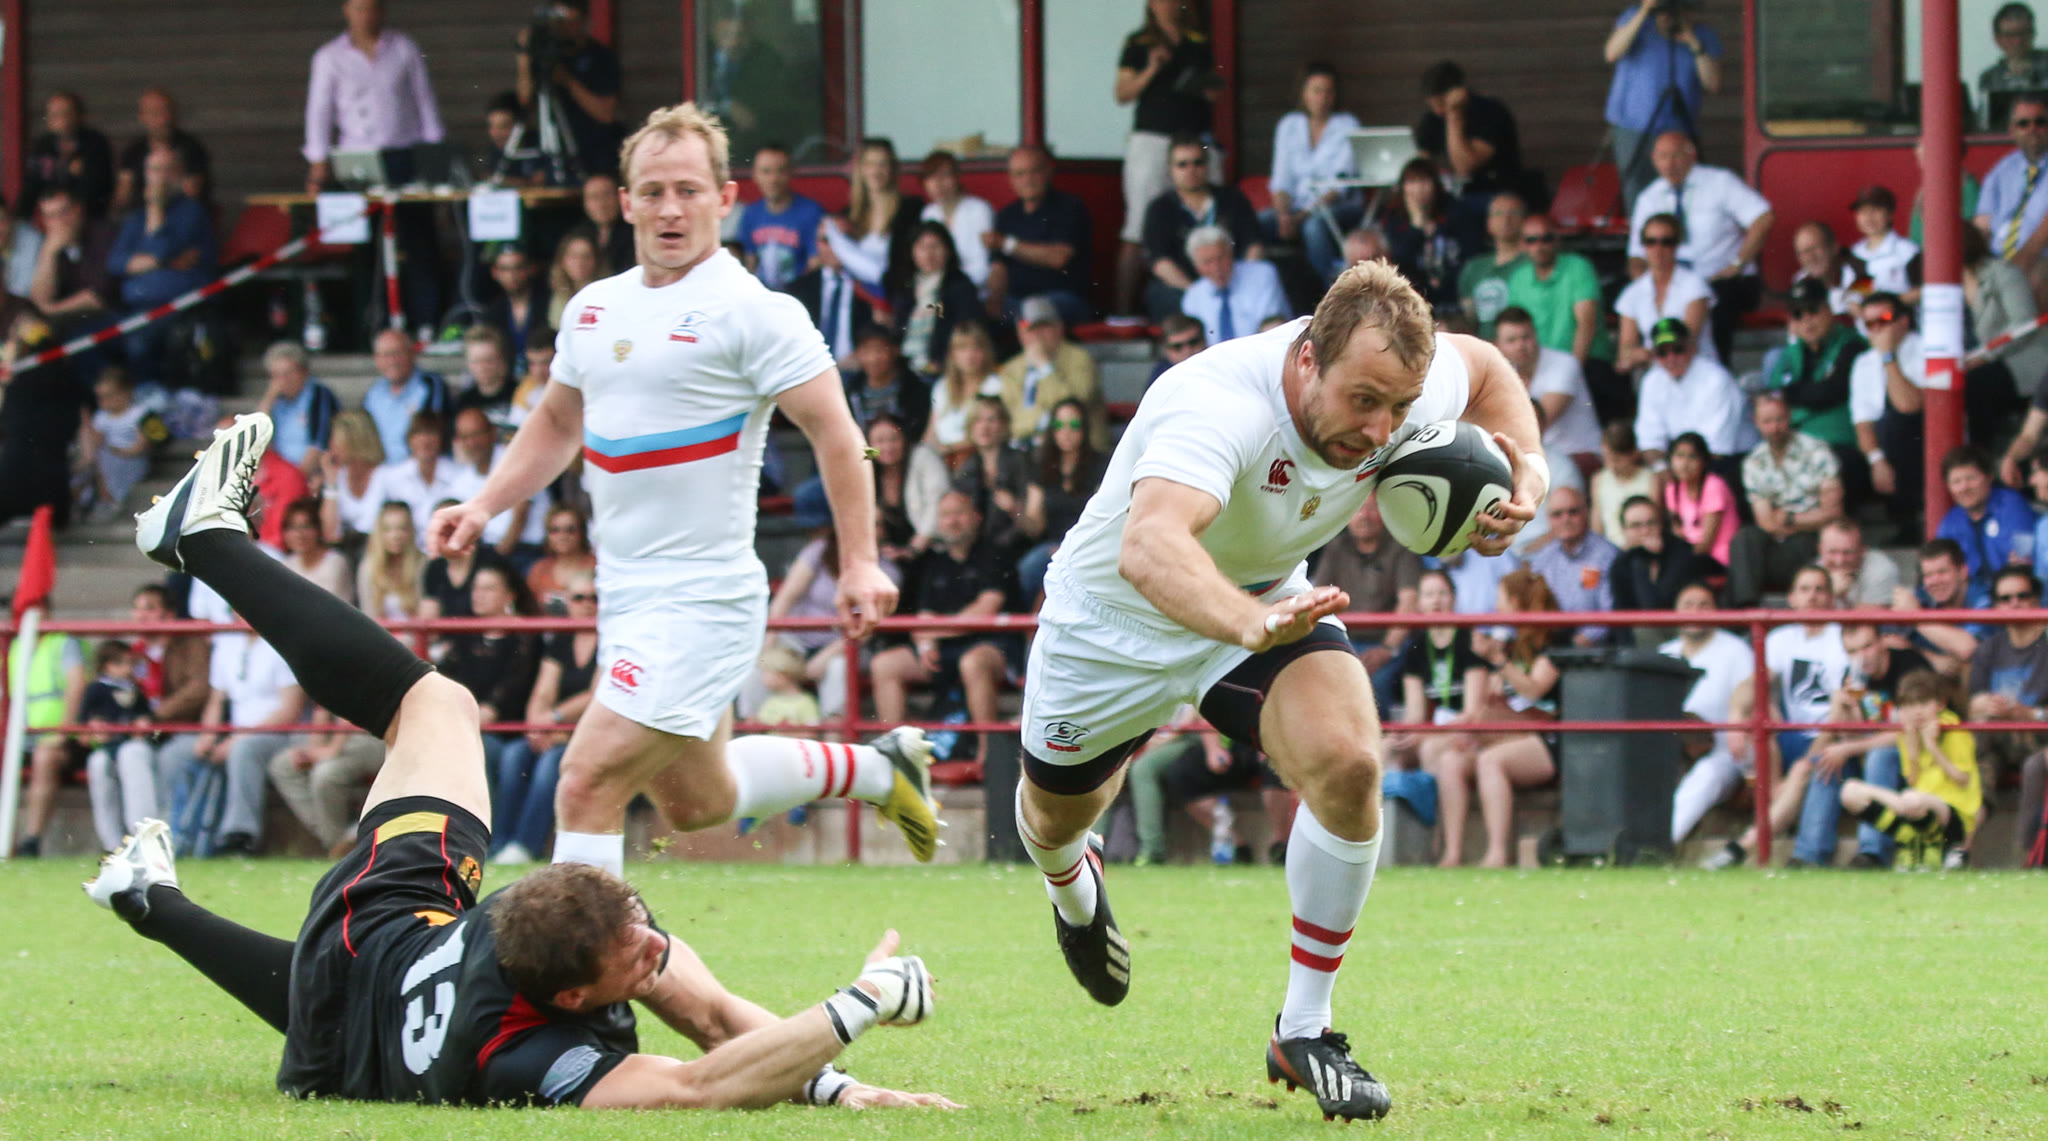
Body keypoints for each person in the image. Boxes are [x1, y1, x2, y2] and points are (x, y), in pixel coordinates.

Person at [91, 421, 953, 1110]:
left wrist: (837, 1086)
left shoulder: (585, 929)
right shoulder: (524, 1054)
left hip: (372, 934)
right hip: (346, 1016)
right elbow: (701, 1081)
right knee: (435, 713)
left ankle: (212, 549)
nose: (657, 948)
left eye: (640, 933)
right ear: (573, 1001)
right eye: (636, 954)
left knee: (432, 708)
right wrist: (859, 1005)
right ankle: (203, 548)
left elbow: (720, 1019)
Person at [1012, 261, 1547, 1121]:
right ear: (1306, 357)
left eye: (1400, 407)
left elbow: (1485, 369)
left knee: (1349, 763)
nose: (1380, 430)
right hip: (1111, 624)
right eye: (1363, 400)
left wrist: (1532, 473)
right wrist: (1245, 623)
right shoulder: (1219, 403)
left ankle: (1304, 1028)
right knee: (1053, 818)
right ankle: (1073, 882)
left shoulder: (1400, 383)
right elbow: (1149, 546)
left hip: (1264, 597)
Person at [433, 104, 942, 877]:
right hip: (625, 594)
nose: (670, 209)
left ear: (725, 198)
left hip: (702, 599)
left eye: (689, 191)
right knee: (699, 800)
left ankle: (582, 959)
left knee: (585, 779)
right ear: (626, 202)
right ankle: (879, 769)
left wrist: (861, 559)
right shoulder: (592, 308)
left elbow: (844, 436)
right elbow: (557, 422)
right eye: (653, 192)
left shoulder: (757, 313)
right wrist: (482, 504)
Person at [301, 0, 446, 333]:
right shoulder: (329, 57)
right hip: (356, 157)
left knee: (419, 238)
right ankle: (373, 324)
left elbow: (424, 100)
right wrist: (318, 161)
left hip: (405, 153)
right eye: (359, 8)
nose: (366, 16)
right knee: (364, 242)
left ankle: (427, 322)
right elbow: (319, 111)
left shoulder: (404, 48)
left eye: (372, 8)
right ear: (346, 10)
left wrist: (435, 156)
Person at [1706, 564, 1847, 869]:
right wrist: (1735, 716)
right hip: (1791, 736)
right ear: (1791, 598)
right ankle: (1778, 801)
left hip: (1830, 736)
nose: (1812, 596)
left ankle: (1743, 847)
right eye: (1805, 589)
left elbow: (1838, 716)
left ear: (1831, 598)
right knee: (1762, 712)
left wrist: (1806, 760)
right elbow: (1752, 683)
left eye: (1820, 589)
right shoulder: (1782, 638)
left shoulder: (1842, 637)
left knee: (1804, 770)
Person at [868, 487, 1024, 751]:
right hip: (944, 649)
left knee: (972, 662)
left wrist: (934, 633)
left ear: (976, 517)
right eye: (946, 515)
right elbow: (923, 616)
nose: (952, 521)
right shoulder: (933, 562)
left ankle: (988, 756)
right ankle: (896, 756)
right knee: (884, 665)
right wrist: (925, 644)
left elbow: (985, 611)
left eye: (959, 513)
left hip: (994, 647)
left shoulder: (995, 554)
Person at [1440, 569, 1564, 868]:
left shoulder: (1551, 644)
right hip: (1511, 734)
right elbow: (1494, 698)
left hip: (1547, 741)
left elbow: (1534, 689)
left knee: (1490, 761)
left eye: (1501, 599)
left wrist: (1498, 661)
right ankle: (1452, 854)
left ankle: (1496, 853)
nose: (1496, 607)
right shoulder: (1511, 645)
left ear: (1516, 602)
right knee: (1450, 761)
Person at [1790, 623, 1928, 868]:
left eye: (1867, 647)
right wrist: (1845, 710)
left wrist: (1849, 748)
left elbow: (1908, 732)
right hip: (1872, 753)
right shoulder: (1853, 676)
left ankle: (1873, 852)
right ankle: (1809, 854)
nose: (1861, 657)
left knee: (1879, 756)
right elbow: (1852, 735)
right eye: (1852, 651)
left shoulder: (1909, 667)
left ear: (1882, 642)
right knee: (1827, 760)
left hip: (1918, 756)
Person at [1627, 133, 1773, 363]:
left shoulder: (1720, 182)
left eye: (1676, 156)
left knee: (1716, 301)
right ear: (1654, 160)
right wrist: (1646, 286)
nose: (1669, 164)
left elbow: (1763, 217)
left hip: (1724, 279)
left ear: (1691, 155)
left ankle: (1715, 370)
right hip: (1674, 283)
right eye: (1663, 157)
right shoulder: (1648, 198)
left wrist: (1738, 263)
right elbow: (1636, 256)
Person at [1115, 0, 1220, 315]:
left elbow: (1215, 90)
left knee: (1209, 217)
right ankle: (1123, 312)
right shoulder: (1139, 42)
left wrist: (1206, 87)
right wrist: (1151, 68)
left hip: (1193, 139)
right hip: (1152, 139)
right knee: (1137, 226)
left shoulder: (1197, 41)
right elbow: (1122, 93)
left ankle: (1210, 301)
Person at [1840, 670, 1981, 870]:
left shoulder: (1953, 730)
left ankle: (1922, 844)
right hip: (1917, 807)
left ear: (1940, 704)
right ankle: (1911, 840)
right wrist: (1913, 749)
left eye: (1924, 703)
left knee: (1912, 799)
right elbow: (1913, 780)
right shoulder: (1907, 733)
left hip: (1953, 814)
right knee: (1850, 791)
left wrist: (1932, 747)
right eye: (1910, 705)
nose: (1917, 711)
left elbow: (1962, 779)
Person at [1728, 392, 1844, 607]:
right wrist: (1805, 518)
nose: (1774, 428)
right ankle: (1747, 609)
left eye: (1779, 419)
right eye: (1767, 422)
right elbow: (1766, 522)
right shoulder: (1754, 461)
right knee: (1745, 538)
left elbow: (1832, 514)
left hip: (1810, 542)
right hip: (1776, 544)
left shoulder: (1817, 451)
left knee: (1804, 542)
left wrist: (1790, 518)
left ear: (1789, 416)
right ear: (1756, 422)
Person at [1662, 581, 1755, 845]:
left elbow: (1751, 688)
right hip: (1670, 752)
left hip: (1725, 752)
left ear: (1716, 611)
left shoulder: (1736, 649)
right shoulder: (1663, 653)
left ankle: (1658, 846)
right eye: (1688, 605)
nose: (1696, 611)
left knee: (1707, 775)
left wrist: (1737, 717)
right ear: (1675, 612)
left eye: (1704, 605)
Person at [1603, 2, 1722, 205]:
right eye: (1662, 10)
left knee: (1680, 191)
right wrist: (1644, 11)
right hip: (1632, 126)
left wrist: (1693, 42)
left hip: (1678, 128)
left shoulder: (1703, 35)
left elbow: (1712, 84)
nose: (1667, 16)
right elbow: (1611, 53)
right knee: (1637, 190)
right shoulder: (1635, 20)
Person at [1314, 498, 1423, 718]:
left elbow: (1409, 601)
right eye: (1358, 509)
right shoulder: (1336, 547)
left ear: (1385, 513)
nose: (1364, 515)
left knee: (1376, 683)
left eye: (1372, 508)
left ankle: (1377, 736)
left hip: (1388, 642)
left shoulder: (1400, 547)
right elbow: (1318, 595)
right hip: (1344, 641)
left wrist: (1387, 649)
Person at [1504, 213, 1619, 421]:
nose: (1539, 245)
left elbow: (1586, 325)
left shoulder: (1579, 267)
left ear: (1557, 240)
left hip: (1585, 362)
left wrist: (1571, 371)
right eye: (1531, 240)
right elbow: (1513, 326)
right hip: (1538, 365)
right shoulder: (1518, 278)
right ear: (1522, 244)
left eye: (1546, 238)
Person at [1141, 134, 1264, 321]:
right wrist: (1197, 293)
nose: (1191, 170)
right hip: (1184, 289)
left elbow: (1254, 245)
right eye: (1182, 164)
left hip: (1235, 284)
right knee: (1159, 294)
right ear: (1170, 169)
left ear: (1208, 165)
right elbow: (1159, 261)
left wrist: (1242, 284)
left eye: (1198, 163)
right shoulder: (1160, 208)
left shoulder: (1232, 199)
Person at [1759, 278, 1865, 483]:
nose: (1806, 319)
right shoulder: (1789, 355)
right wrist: (1810, 395)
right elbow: (1773, 399)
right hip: (1792, 445)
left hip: (1838, 445)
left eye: (1812, 310)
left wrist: (1790, 394)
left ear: (1829, 310)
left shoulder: (1851, 345)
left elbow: (1831, 391)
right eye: (1798, 314)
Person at [1267, 61, 1362, 284]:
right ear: (1304, 94)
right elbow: (1281, 179)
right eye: (1316, 91)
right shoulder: (1289, 125)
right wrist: (1283, 215)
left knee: (1314, 227)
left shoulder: (1347, 124)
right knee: (1259, 222)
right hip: (1295, 210)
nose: (1322, 98)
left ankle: (1331, 290)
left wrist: (1301, 217)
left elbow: (1340, 187)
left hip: (1337, 208)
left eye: (1328, 91)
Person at [1395, 568, 1492, 779]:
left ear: (1454, 599)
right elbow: (1414, 714)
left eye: (1442, 593)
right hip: (1436, 729)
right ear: (1419, 603)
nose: (1436, 601)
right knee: (1388, 748)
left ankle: (1432, 801)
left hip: (1468, 730)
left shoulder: (1469, 639)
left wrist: (1427, 733)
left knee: (1430, 748)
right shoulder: (1415, 647)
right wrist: (1403, 735)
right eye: (1428, 595)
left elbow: (1472, 712)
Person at [1962, 221, 2048, 459]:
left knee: (1977, 384)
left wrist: (1983, 357)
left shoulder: (2003, 273)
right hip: (1975, 362)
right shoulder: (1944, 284)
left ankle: (1980, 460)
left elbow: (2023, 324)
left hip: (2020, 359)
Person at [984, 144, 1094, 326]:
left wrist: (1007, 244)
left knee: (1034, 308)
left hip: (1063, 300)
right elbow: (998, 267)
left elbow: (1059, 258)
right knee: (971, 309)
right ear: (1011, 179)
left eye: (1034, 171)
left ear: (1049, 171)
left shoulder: (1070, 207)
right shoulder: (1006, 215)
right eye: (1019, 174)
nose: (1027, 180)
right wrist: (994, 297)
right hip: (1015, 301)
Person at [514, 0, 623, 180]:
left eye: (572, 22)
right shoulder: (548, 56)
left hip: (593, 154)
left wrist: (568, 81)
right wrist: (525, 55)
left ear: (585, 21)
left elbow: (605, 113)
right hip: (554, 151)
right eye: (560, 23)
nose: (567, 29)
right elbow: (525, 101)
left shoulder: (601, 57)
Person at [1018, 398, 1111, 603]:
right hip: (1051, 546)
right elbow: (1035, 526)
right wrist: (1015, 511)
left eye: (1074, 425)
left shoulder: (1101, 465)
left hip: (1089, 546)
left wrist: (1068, 548)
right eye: (1059, 425)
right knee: (1028, 567)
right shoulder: (1041, 466)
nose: (1066, 431)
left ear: (1084, 429)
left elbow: (1102, 518)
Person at [1967, 567, 2048, 794]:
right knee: (1979, 745)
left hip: (2040, 737)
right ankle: (1972, 814)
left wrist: (2030, 714)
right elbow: (1972, 705)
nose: (2014, 603)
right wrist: (1981, 706)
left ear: (2037, 600)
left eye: (2022, 596)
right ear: (1995, 606)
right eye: (2005, 599)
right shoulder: (1988, 649)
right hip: (1999, 739)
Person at [1850, 292, 1928, 523]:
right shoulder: (1863, 362)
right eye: (1869, 324)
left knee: (1896, 423)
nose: (1876, 329)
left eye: (1882, 320)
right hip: (1888, 447)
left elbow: (1908, 405)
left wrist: (1887, 356)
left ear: (1903, 321)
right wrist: (1876, 460)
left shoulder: (1925, 349)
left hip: (1922, 436)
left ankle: (1909, 520)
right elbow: (1862, 423)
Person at [1632, 318, 1750, 467]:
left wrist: (1680, 472)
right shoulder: (1651, 381)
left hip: (1729, 460)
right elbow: (1649, 439)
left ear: (1692, 347)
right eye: (1662, 353)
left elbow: (1718, 447)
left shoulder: (1716, 378)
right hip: (1680, 462)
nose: (1671, 358)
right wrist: (1660, 468)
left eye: (1678, 350)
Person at [1495, 306, 1599, 476]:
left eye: (1526, 337)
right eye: (1511, 340)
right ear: (1498, 345)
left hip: (1578, 454)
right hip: (1541, 457)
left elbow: (1537, 422)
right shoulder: (1504, 372)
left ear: (1536, 335)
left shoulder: (1564, 364)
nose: (1520, 346)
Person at [997, 297, 1108, 450]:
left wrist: (1044, 367)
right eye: (1030, 328)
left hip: (1081, 450)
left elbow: (1073, 407)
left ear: (1059, 328)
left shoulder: (1080, 360)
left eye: (1044, 327)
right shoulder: (1011, 369)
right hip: (1024, 450)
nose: (1037, 335)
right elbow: (1011, 415)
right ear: (1020, 333)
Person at [80, 639, 156, 854]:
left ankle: (141, 836)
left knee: (131, 755)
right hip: (106, 749)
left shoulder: (135, 690)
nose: (128, 669)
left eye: (131, 663)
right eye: (120, 663)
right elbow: (83, 729)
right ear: (106, 666)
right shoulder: (95, 689)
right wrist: (95, 730)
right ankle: (112, 844)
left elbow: (147, 717)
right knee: (97, 766)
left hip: (131, 745)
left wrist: (143, 724)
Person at [1614, 212, 1715, 371]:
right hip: (1658, 375)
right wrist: (1634, 356)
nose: (1658, 249)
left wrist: (1643, 354)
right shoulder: (1632, 293)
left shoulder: (1694, 284)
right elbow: (1624, 352)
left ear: (1677, 245)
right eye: (1651, 242)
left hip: (1699, 371)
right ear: (1643, 246)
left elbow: (1687, 341)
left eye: (1666, 242)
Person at [365, 411, 480, 550]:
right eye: (419, 433)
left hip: (448, 550)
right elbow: (371, 522)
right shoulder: (390, 477)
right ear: (409, 439)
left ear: (441, 438)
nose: (425, 440)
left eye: (431, 433)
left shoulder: (460, 475)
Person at [823, 138, 923, 297]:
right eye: (869, 164)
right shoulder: (846, 215)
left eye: (882, 164)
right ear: (860, 169)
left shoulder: (912, 210)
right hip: (858, 301)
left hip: (901, 297)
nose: (875, 171)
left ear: (893, 169)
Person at [1412, 60, 1525, 201]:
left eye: (1441, 104)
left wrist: (1454, 114)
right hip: (1457, 192)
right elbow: (1420, 160)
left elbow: (1465, 167)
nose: (1438, 111)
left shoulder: (1491, 112)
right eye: (1432, 106)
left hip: (1495, 191)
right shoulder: (1433, 119)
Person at [1935, 445, 2038, 594]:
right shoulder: (1950, 522)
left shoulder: (2012, 506)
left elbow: (2022, 561)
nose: (1964, 487)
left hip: (2011, 596)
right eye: (1956, 482)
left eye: (1971, 478)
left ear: (1989, 477)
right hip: (1970, 600)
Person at [889, 222, 982, 380]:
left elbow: (966, 331)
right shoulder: (905, 285)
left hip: (941, 368)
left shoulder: (960, 286)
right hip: (905, 366)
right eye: (922, 247)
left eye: (935, 247)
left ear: (948, 250)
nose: (929, 254)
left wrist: (940, 361)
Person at [1525, 486, 1617, 646]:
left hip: (1600, 647)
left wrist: (1577, 644)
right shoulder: (1544, 559)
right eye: (1557, 514)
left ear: (1586, 512)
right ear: (1548, 519)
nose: (1565, 519)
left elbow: (1610, 614)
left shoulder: (1608, 555)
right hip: (1552, 643)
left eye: (1573, 512)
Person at [1976, 91, 2048, 290]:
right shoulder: (2002, 171)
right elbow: (1982, 226)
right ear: (2012, 130)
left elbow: (2043, 234)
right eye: (2023, 124)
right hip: (2000, 263)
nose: (2032, 129)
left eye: (2040, 122)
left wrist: (2013, 270)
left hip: (2039, 262)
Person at [28, 184, 117, 343]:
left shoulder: (103, 233)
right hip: (74, 323)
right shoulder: (50, 247)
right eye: (51, 216)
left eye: (64, 212)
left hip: (111, 316)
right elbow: (39, 299)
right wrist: (48, 255)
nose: (60, 221)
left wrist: (52, 310)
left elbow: (99, 295)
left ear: (78, 209)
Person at [1381, 157, 1468, 315]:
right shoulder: (1394, 220)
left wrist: (1444, 281)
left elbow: (1468, 254)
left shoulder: (1455, 214)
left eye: (1425, 181)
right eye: (1412, 182)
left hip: (1453, 293)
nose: (1419, 188)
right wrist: (1417, 224)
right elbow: (1400, 261)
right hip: (1415, 297)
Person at [1896, 539, 1990, 680]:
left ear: (1963, 572)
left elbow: (1969, 649)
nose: (1935, 581)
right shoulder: (1923, 596)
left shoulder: (1984, 598)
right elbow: (1889, 641)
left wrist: (1916, 617)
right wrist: (1931, 657)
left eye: (1942, 572)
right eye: (1928, 575)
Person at [1179, 225, 1289, 346]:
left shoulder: (1262, 274)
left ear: (1231, 254)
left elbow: (1272, 326)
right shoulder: (1192, 296)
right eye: (1207, 262)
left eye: (1220, 258)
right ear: (1196, 266)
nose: (1216, 267)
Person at [737, 143, 824, 292]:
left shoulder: (811, 212)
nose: (773, 179)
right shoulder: (750, 213)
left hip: (798, 295)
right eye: (766, 171)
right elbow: (750, 263)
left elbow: (815, 265)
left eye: (780, 171)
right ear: (755, 175)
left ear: (791, 173)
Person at [82, 366, 164, 522]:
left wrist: (118, 451)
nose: (104, 401)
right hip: (109, 463)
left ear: (126, 392)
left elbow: (146, 445)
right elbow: (95, 444)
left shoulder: (141, 414)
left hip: (132, 462)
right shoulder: (100, 417)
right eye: (100, 397)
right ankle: (105, 497)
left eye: (109, 396)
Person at [784, 223, 874, 366]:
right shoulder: (797, 289)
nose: (834, 246)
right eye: (826, 240)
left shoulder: (870, 285)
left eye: (842, 238)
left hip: (857, 369)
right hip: (810, 368)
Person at [361, 329, 453, 465]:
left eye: (397, 353)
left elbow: (433, 432)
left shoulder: (430, 385)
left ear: (412, 354)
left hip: (420, 468)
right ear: (376, 359)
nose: (392, 361)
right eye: (385, 355)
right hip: (380, 470)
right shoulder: (374, 394)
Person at [113, 88, 210, 214]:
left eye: (167, 111)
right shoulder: (133, 151)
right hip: (142, 214)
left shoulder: (191, 148)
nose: (164, 119)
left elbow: (193, 191)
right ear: (143, 117)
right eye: (155, 113)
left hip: (181, 214)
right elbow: (123, 195)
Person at [22, 91, 115, 219]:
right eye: (53, 114)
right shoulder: (42, 146)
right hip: (48, 216)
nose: (59, 119)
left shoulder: (95, 142)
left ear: (79, 116)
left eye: (64, 113)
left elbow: (95, 185)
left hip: (88, 216)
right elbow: (32, 184)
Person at [257, 342, 340, 476]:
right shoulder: (276, 401)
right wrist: (268, 399)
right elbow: (259, 437)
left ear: (304, 372)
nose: (283, 380)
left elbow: (319, 444)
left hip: (311, 474)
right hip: (281, 473)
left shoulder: (318, 395)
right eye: (276, 375)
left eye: (289, 373)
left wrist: (295, 479)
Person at [1611, 495, 1705, 613]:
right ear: (1624, 530)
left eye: (1651, 523)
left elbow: (1655, 606)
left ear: (1661, 525)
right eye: (1636, 525)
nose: (1645, 531)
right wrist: (1640, 557)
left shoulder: (1682, 553)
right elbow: (1620, 611)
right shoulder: (1620, 564)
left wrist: (1646, 558)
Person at [840, 324, 931, 445]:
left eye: (879, 350)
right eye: (866, 351)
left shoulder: (914, 390)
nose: (873, 358)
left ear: (895, 351)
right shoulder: (852, 392)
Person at [918, 150, 994, 288]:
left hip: (973, 286)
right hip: (938, 286)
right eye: (931, 177)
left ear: (957, 177)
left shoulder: (978, 210)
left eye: (945, 176)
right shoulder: (928, 213)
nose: (938, 183)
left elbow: (982, 263)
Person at [926, 322, 1002, 458]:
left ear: (985, 352)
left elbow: (992, 434)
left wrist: (950, 449)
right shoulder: (942, 386)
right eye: (962, 348)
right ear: (953, 354)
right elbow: (931, 432)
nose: (969, 355)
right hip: (941, 457)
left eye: (976, 348)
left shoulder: (995, 385)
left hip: (976, 457)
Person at [315, 409, 386, 552]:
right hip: (345, 553)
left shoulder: (387, 476)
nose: (331, 446)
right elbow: (330, 535)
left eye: (335, 440)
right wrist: (331, 481)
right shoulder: (337, 478)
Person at [1661, 431, 1733, 569]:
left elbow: (1705, 545)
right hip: (1689, 557)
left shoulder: (1714, 486)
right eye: (1679, 456)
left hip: (1717, 561)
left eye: (1692, 457)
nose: (1684, 464)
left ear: (1704, 461)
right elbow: (1677, 533)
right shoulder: (1672, 489)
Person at [1461, 193, 1527, 339]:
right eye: (1498, 213)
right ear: (1489, 223)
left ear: (1524, 220)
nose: (1506, 219)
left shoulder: (1531, 263)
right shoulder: (1473, 268)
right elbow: (1470, 319)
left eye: (1513, 213)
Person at [483, 245, 552, 367]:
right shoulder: (493, 311)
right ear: (495, 272)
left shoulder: (549, 303)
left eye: (518, 268)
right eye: (505, 269)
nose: (511, 275)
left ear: (531, 269)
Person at [1981, 3, 2048, 128]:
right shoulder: (1989, 78)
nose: (2017, 41)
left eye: (2022, 34)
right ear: (1997, 39)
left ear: (2033, 33)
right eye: (2010, 35)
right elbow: (1984, 123)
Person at [356, 501, 425, 622]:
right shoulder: (368, 567)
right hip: (380, 633)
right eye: (387, 529)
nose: (395, 536)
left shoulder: (423, 564)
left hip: (417, 632)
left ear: (411, 531)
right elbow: (368, 615)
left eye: (402, 528)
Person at [277, 497, 354, 603]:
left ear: (318, 529)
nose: (299, 534)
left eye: (306, 526)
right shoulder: (287, 566)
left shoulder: (335, 563)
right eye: (292, 527)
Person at [1849, 186, 1919, 298]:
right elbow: (1852, 296)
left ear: (1890, 214)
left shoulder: (1908, 251)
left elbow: (1923, 290)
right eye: (1863, 211)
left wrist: (1895, 302)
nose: (1868, 217)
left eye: (1876, 210)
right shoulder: (1856, 254)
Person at [526, 505, 598, 612]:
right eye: (555, 530)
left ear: (582, 533)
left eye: (570, 530)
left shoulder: (597, 566)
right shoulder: (539, 570)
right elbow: (529, 607)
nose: (562, 536)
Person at [1818, 518, 1900, 610]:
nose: (1840, 561)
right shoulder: (1815, 570)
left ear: (1862, 550)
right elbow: (1807, 614)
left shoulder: (1881, 570)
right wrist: (1831, 594)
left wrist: (1832, 596)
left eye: (1847, 552)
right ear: (1820, 550)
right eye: (1833, 552)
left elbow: (1871, 617)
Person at [452, 325, 519, 437]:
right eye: (476, 361)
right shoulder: (463, 403)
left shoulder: (520, 393)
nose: (482, 367)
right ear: (468, 364)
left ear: (502, 360)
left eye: (489, 360)